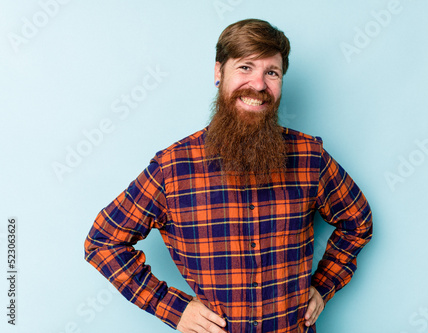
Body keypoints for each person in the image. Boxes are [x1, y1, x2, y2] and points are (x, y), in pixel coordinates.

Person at [84, 18, 373, 333]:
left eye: (271, 73)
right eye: (245, 68)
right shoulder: (172, 168)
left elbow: (357, 222)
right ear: (218, 73)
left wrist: (325, 284)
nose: (259, 85)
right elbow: (103, 242)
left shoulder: (309, 157)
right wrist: (173, 309)